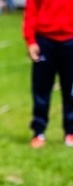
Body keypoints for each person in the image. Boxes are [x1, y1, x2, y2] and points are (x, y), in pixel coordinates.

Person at [22, 0, 73, 148]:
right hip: (44, 40)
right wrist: (31, 41)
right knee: (41, 88)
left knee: (71, 89)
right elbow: (31, 9)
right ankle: (39, 132)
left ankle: (71, 131)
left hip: (71, 39)